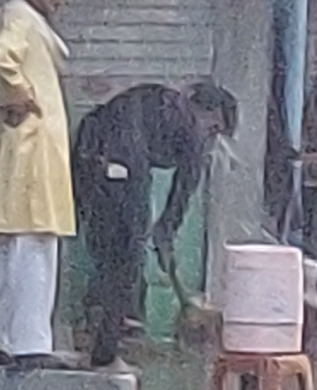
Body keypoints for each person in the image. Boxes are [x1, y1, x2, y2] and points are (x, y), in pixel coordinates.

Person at [68, 78, 235, 368]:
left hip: (88, 159)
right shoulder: (189, 124)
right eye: (214, 128)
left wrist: (162, 231)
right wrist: (166, 232)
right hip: (120, 166)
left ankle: (94, 331)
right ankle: (105, 352)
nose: (210, 137)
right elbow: (185, 186)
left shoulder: (155, 98)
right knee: (126, 260)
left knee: (107, 257)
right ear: (205, 111)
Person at [0, 0, 76, 368]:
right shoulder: (22, 19)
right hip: (33, 148)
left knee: (2, 243)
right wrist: (20, 95)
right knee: (35, 244)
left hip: (17, 147)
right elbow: (0, 58)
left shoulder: (14, 16)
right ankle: (31, 344)